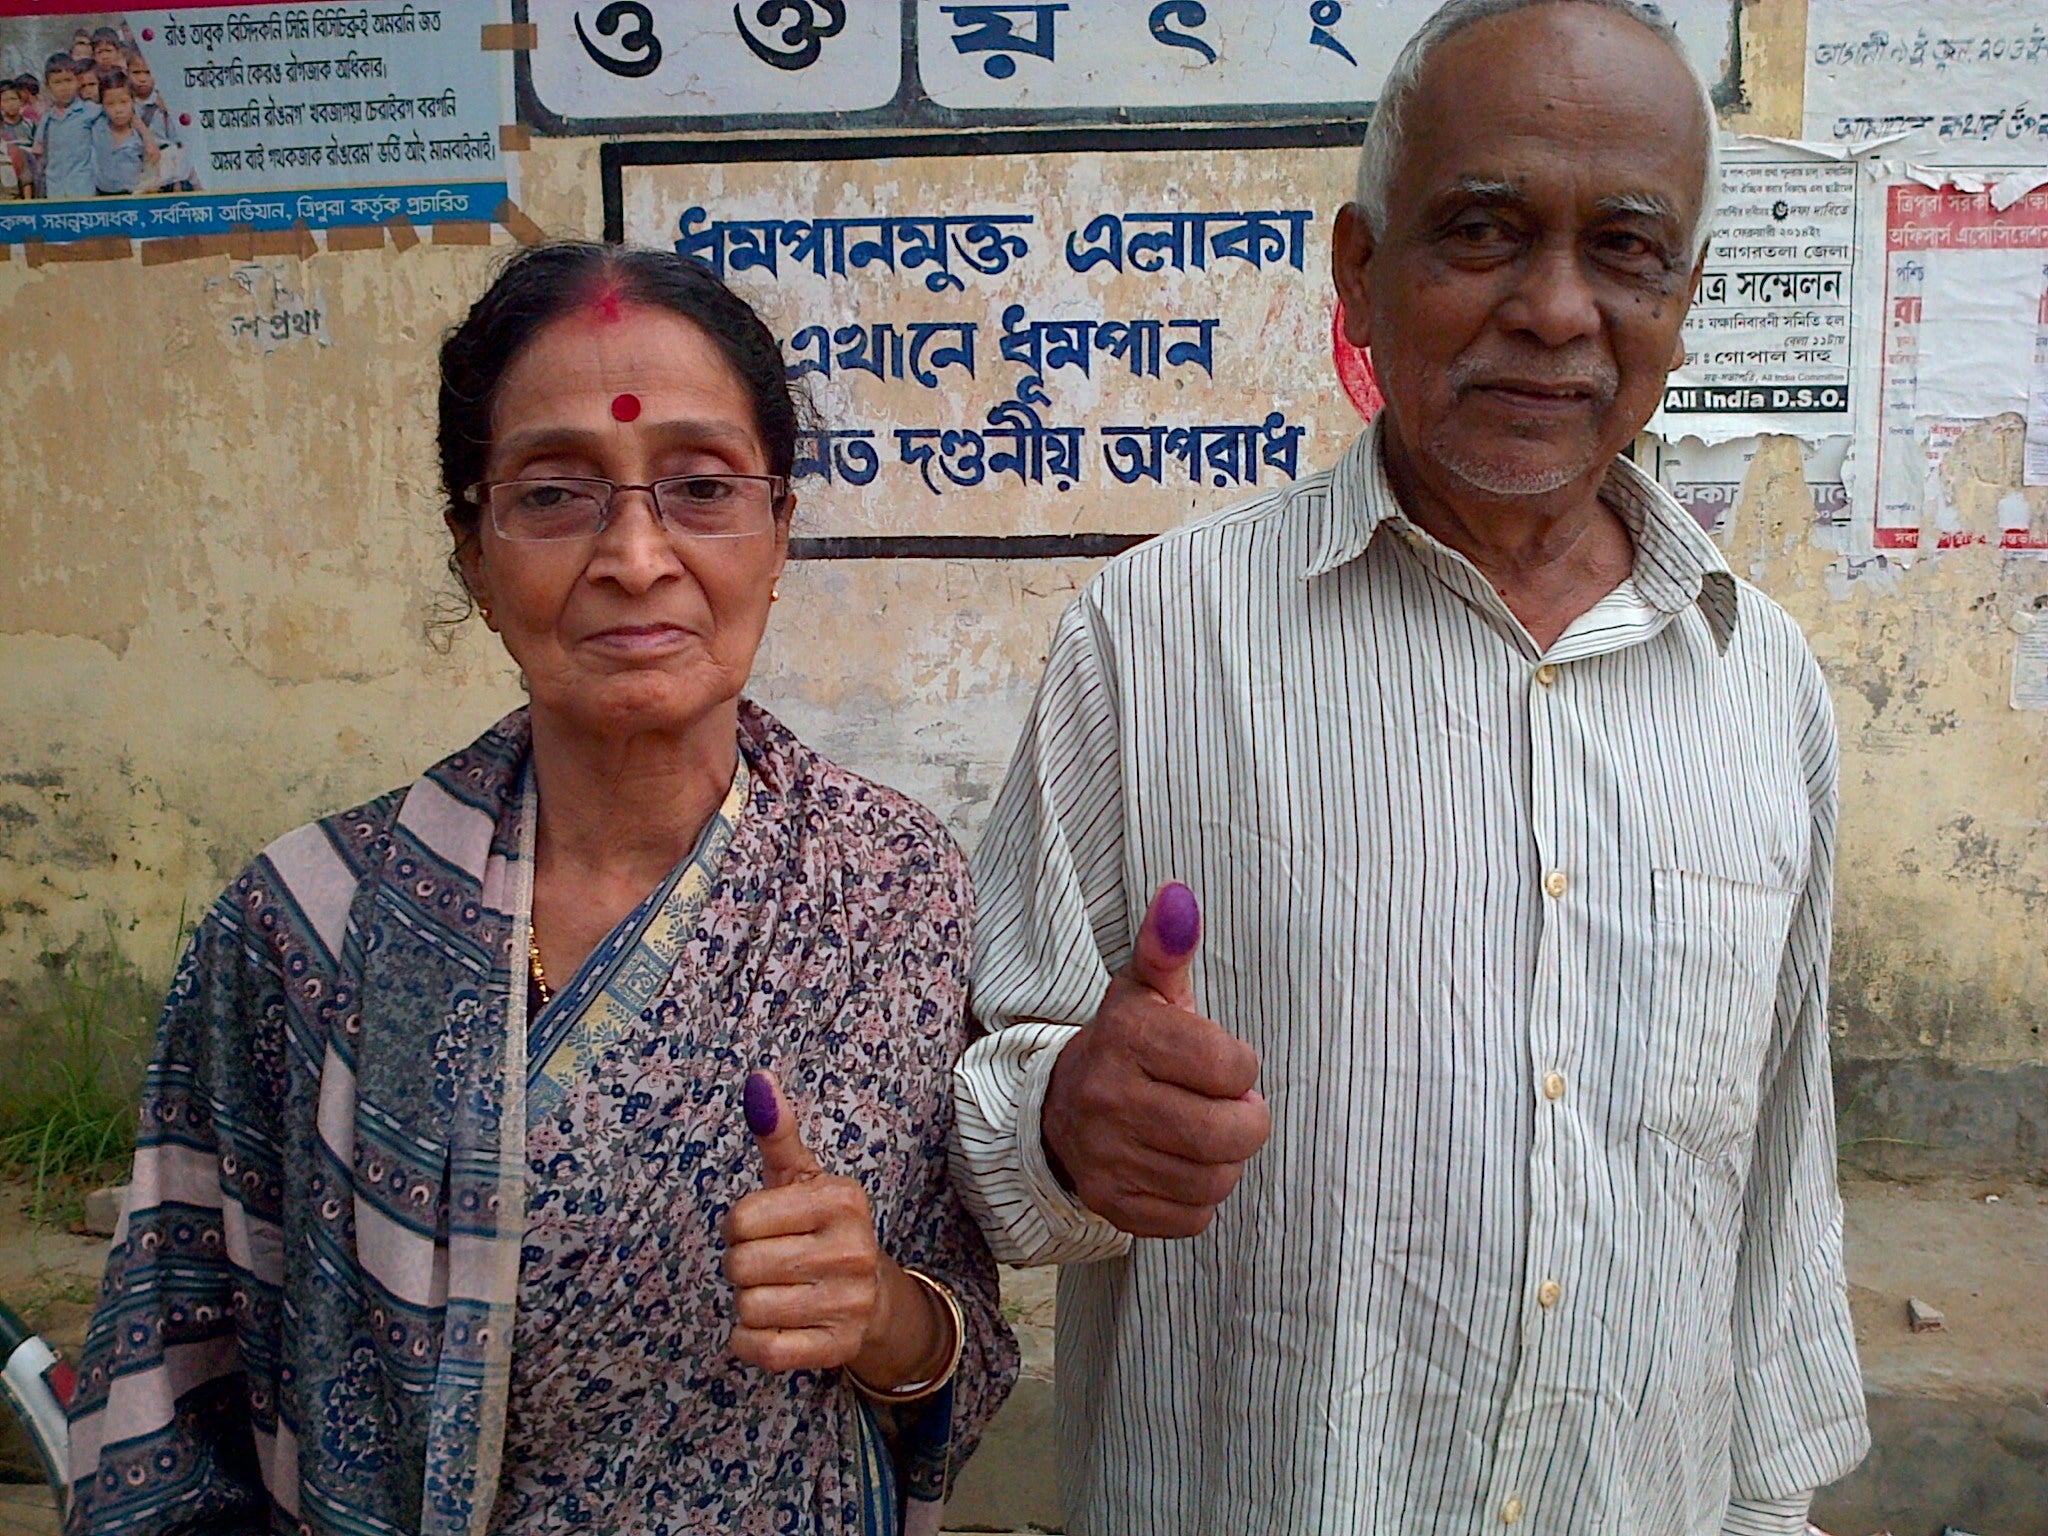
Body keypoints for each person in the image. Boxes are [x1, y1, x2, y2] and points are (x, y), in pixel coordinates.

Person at [952, 2, 1869, 1533]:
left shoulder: (1759, 681)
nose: (1557, 310)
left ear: (1686, 300)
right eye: (1484, 231)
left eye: (1627, 251)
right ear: (1361, 273)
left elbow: (1772, 1175)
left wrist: (1768, 1510)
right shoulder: (1154, 638)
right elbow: (986, 1110)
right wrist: (1063, 1122)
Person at [65, 242, 1017, 1536]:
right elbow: (167, 1405)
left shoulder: (893, 892)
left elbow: (956, 1351)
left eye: (699, 485)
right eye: (558, 494)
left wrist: (881, 1318)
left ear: (780, 525)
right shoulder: (304, 929)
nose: (636, 554)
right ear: (473, 549)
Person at [31, 55, 99, 200]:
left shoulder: (90, 111)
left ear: (78, 81)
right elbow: (39, 151)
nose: (64, 87)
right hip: (54, 192)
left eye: (68, 80)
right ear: (48, 86)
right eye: (57, 82)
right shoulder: (47, 119)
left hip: (84, 190)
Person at [89, 70, 159, 195]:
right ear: (102, 105)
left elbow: (153, 159)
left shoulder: (141, 132)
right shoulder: (96, 126)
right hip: (102, 196)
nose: (118, 110)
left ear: (133, 101)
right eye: (110, 104)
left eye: (124, 102)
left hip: (133, 196)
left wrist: (145, 134)